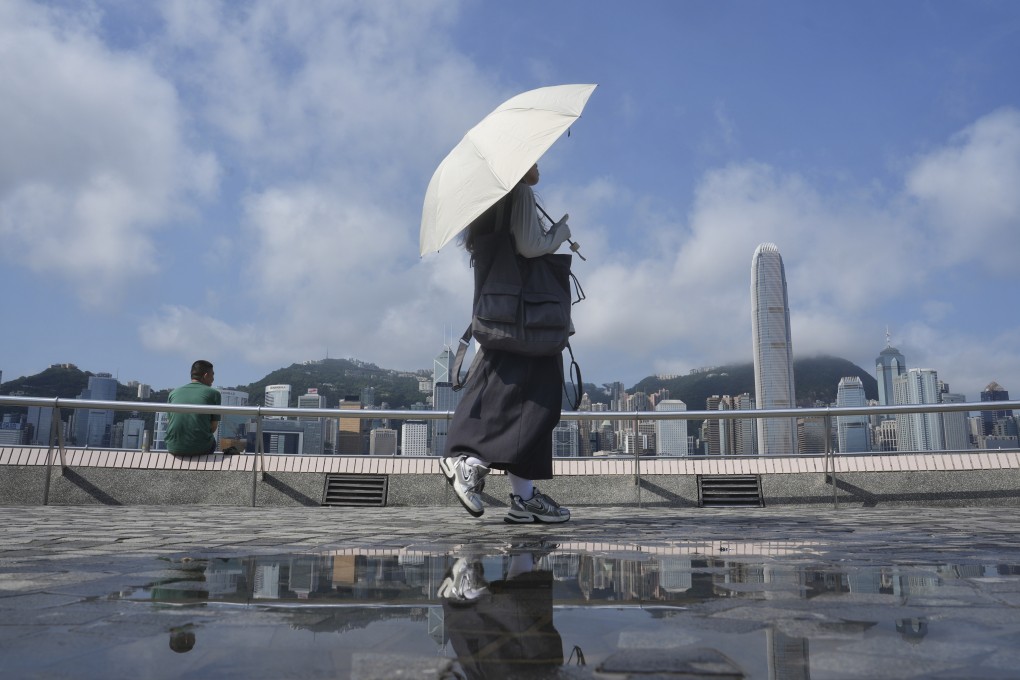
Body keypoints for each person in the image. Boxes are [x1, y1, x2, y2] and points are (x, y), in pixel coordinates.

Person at [440, 163, 572, 523]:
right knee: (534, 401)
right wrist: (560, 233)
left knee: (523, 400)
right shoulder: (518, 192)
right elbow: (530, 247)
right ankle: (469, 463)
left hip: (503, 314)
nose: (540, 164)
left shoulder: (488, 203)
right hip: (528, 318)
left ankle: (524, 496)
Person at [166, 360, 222, 456]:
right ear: (205, 375)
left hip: (173, 447)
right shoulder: (214, 394)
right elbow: (213, 427)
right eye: (212, 375)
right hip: (201, 448)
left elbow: (170, 422)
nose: (213, 379)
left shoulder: (173, 393)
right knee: (211, 442)